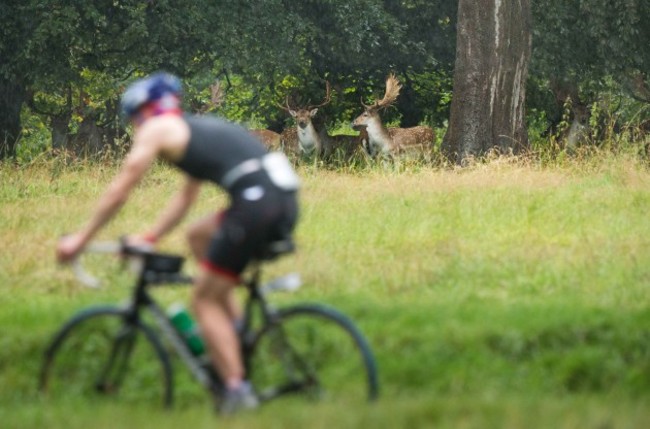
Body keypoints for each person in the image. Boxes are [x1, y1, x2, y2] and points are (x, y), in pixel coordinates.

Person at [56, 72, 300, 414]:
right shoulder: (191, 130)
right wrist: (152, 237)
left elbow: (121, 188)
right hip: (279, 200)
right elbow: (186, 199)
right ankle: (236, 332)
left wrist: (81, 240)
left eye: (132, 121)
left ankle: (236, 392)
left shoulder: (158, 129)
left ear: (141, 113)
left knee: (202, 299)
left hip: (254, 204)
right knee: (197, 236)